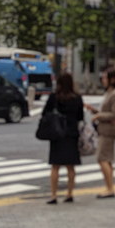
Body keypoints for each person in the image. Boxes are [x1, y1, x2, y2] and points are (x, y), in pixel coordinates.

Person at [43, 73, 84, 204]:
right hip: (71, 134)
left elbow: (45, 113)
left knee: (55, 166)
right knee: (70, 167)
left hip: (57, 134)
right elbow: (80, 117)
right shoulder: (77, 98)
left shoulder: (54, 98)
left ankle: (54, 195)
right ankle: (69, 193)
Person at [85, 67, 115, 199]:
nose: (103, 80)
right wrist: (94, 111)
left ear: (113, 79)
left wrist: (98, 116)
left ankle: (110, 188)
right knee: (107, 159)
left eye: (106, 77)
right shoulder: (109, 92)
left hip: (108, 130)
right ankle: (109, 186)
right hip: (105, 129)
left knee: (102, 158)